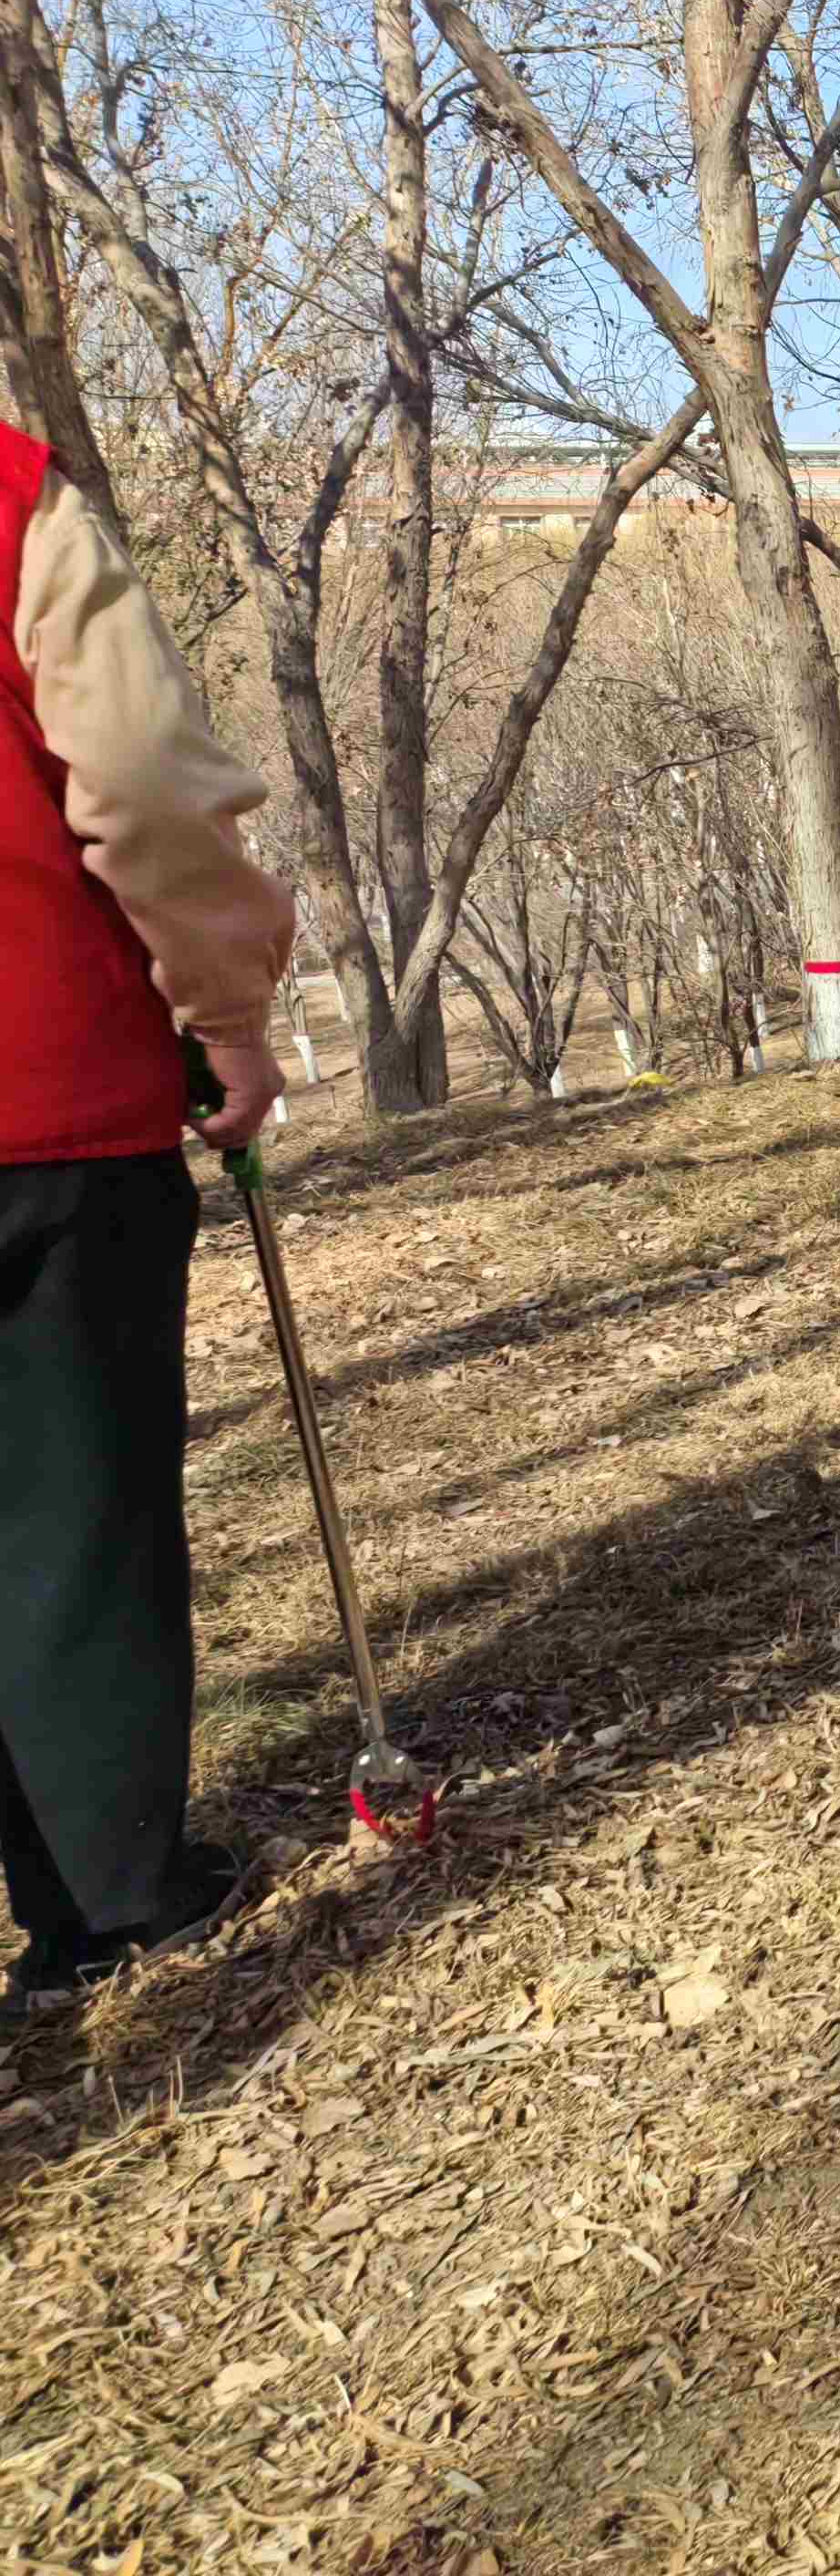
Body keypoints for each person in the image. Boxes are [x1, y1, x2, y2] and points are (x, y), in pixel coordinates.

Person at [0, 422, 294, 2022]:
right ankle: (106, 1897)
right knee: (73, 1507)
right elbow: (134, 785)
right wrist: (227, 1007)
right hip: (37, 1091)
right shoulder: (12, 499)